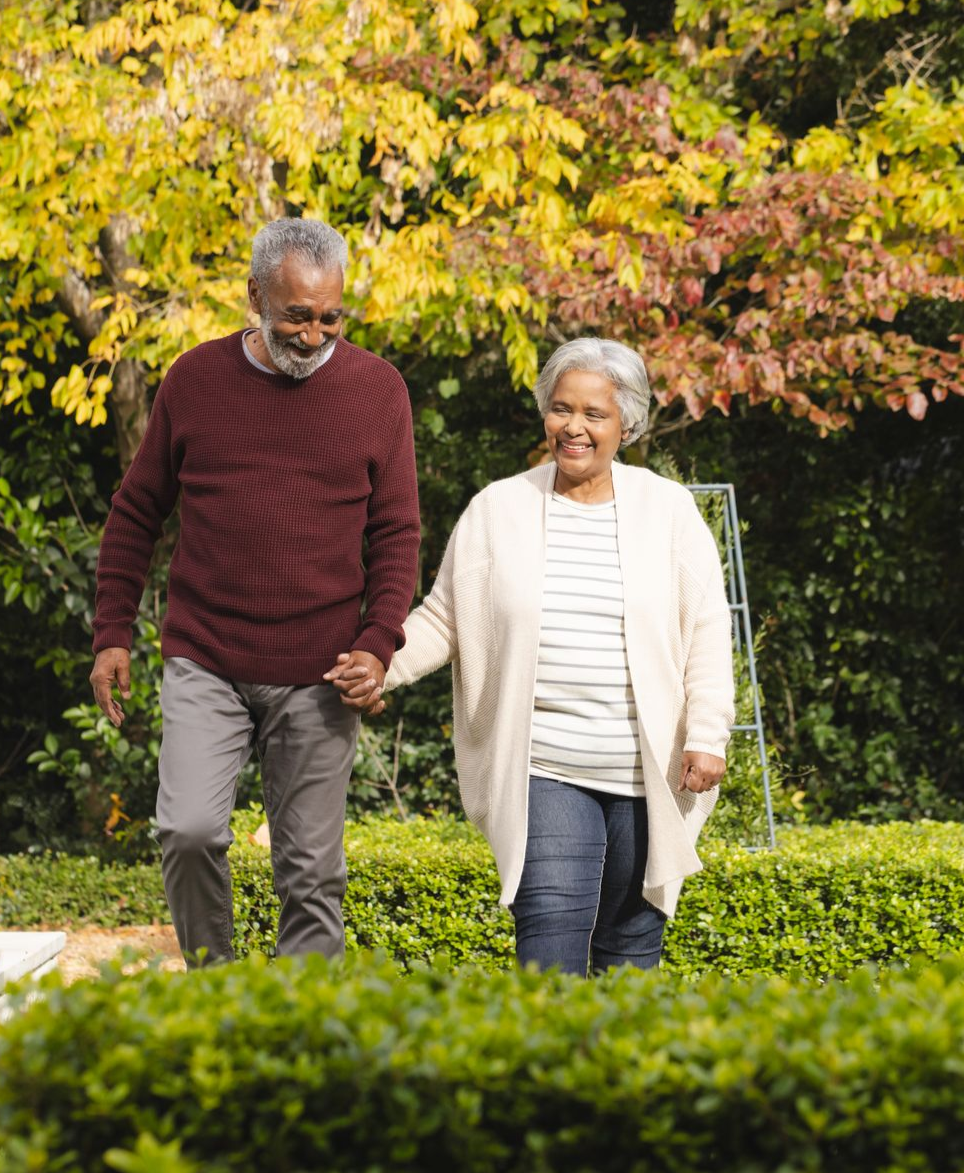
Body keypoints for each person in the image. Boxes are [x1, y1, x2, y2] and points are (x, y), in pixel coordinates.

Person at [327, 337, 732, 975]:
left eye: (594, 414)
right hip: (544, 766)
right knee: (549, 938)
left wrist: (708, 733)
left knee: (629, 951)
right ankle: (546, 1073)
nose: (573, 427)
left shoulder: (669, 511)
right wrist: (381, 664)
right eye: (560, 409)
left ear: (625, 423)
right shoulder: (499, 509)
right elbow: (445, 616)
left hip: (648, 774)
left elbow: (709, 626)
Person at [89, 218, 420, 967]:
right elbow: (136, 512)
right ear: (254, 299)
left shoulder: (378, 391)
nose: (314, 334)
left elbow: (397, 534)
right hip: (206, 656)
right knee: (189, 829)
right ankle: (219, 988)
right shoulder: (196, 381)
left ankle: (294, 1038)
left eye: (331, 316)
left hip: (321, 668)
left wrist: (377, 643)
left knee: (309, 873)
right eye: (296, 316)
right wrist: (113, 631)